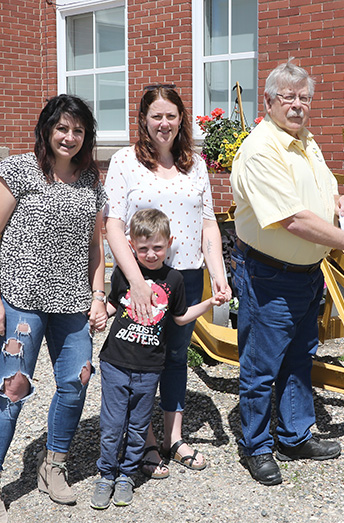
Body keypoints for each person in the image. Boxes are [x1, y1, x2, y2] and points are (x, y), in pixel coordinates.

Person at [229, 60, 344, 486]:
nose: (297, 106)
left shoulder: (305, 141)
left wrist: (342, 199)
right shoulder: (262, 149)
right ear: (269, 102)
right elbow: (292, 220)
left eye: (304, 98)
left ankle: (295, 435)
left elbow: (321, 191)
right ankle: (257, 447)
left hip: (306, 273)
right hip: (271, 276)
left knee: (300, 357)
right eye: (288, 98)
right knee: (261, 366)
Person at [0, 95, 107, 523]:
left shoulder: (90, 179)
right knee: (12, 387)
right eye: (62, 128)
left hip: (71, 302)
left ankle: (54, 464)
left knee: (77, 379)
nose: (69, 137)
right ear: (47, 130)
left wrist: (98, 294)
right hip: (20, 302)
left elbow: (94, 246)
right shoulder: (17, 170)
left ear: (86, 136)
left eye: (78, 130)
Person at [104, 84, 230, 477]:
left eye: (171, 116)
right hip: (139, 280)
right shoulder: (126, 161)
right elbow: (112, 225)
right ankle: (145, 439)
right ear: (143, 120)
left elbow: (209, 224)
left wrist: (219, 276)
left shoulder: (194, 164)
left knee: (176, 358)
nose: (164, 123)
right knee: (142, 361)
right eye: (156, 116)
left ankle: (173, 436)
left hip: (186, 278)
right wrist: (137, 282)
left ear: (181, 120)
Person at [91, 209, 226, 509]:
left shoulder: (175, 280)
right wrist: (99, 315)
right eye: (142, 249)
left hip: (150, 367)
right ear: (130, 246)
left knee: (139, 425)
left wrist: (208, 302)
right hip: (115, 361)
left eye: (157, 248)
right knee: (112, 424)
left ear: (170, 243)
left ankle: (126, 475)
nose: (150, 254)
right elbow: (115, 305)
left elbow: (180, 318)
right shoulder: (125, 274)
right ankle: (106, 474)